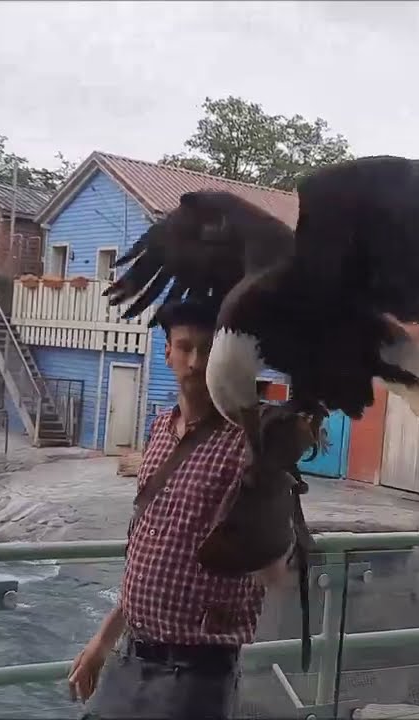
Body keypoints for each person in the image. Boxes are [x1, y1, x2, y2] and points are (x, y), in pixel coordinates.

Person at [69, 298, 296, 719]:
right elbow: (152, 556)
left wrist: (270, 481)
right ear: (168, 352)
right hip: (131, 655)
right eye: (184, 347)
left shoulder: (252, 440)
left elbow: (274, 565)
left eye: (207, 350)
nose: (195, 362)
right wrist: (102, 641)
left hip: (197, 672)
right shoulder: (159, 430)